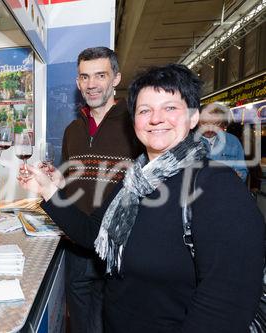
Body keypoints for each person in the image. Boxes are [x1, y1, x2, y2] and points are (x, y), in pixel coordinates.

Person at [20, 64, 264, 332]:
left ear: (193, 118)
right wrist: (47, 190)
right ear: (133, 120)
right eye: (145, 110)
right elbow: (92, 234)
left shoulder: (217, 188)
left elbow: (225, 304)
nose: (156, 119)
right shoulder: (130, 183)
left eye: (170, 108)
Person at [59, 47, 142, 332]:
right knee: (82, 325)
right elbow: (68, 181)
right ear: (77, 82)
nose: (91, 84)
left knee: (117, 324)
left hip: (121, 249)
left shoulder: (137, 124)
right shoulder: (72, 130)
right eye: (84, 77)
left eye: (100, 75)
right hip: (78, 249)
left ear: (116, 78)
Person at [198, 103, 248, 181]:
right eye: (204, 123)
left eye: (215, 124)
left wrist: (238, 176)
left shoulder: (233, 141)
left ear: (222, 124)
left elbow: (243, 171)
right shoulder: (187, 141)